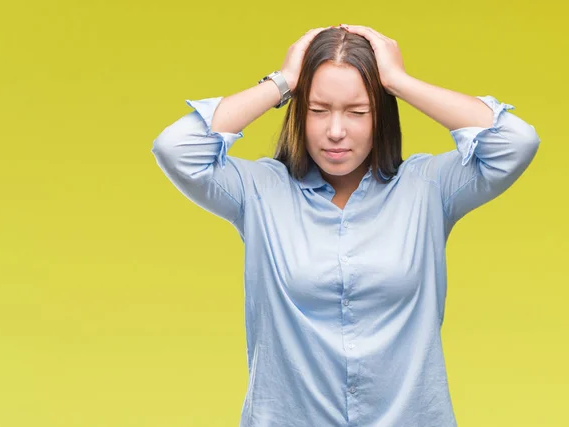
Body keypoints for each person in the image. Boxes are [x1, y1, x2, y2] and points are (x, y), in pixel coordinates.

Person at [151, 24, 540, 427]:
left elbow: (515, 142)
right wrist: (282, 82)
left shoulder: (428, 188)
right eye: (318, 110)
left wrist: (398, 82)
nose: (335, 131)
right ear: (299, 112)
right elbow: (176, 148)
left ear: (381, 115)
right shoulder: (259, 191)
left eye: (357, 112)